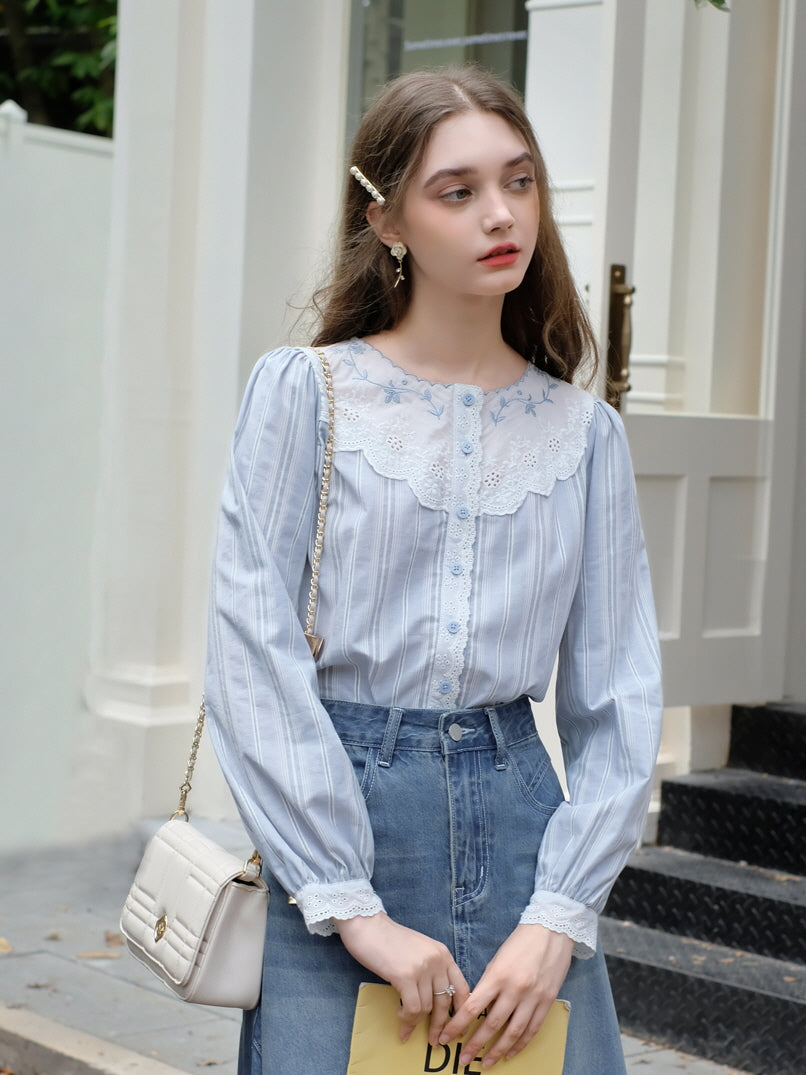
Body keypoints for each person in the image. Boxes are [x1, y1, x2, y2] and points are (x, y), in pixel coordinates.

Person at [205, 65, 663, 1075]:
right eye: (455, 191)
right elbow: (251, 653)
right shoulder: (307, 396)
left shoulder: (583, 436)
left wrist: (557, 918)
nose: (499, 214)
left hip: (523, 830)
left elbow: (619, 696)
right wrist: (350, 907)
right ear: (389, 222)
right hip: (340, 821)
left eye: (519, 180)